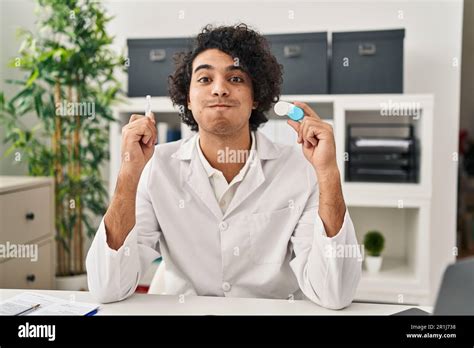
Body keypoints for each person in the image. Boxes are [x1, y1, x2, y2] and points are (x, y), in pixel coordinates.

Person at [86, 23, 362, 309]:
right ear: (188, 99)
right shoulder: (156, 168)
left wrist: (328, 173)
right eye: (204, 79)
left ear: (256, 98)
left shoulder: (301, 168)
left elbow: (335, 294)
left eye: (236, 79)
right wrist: (129, 174)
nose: (219, 90)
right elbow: (107, 287)